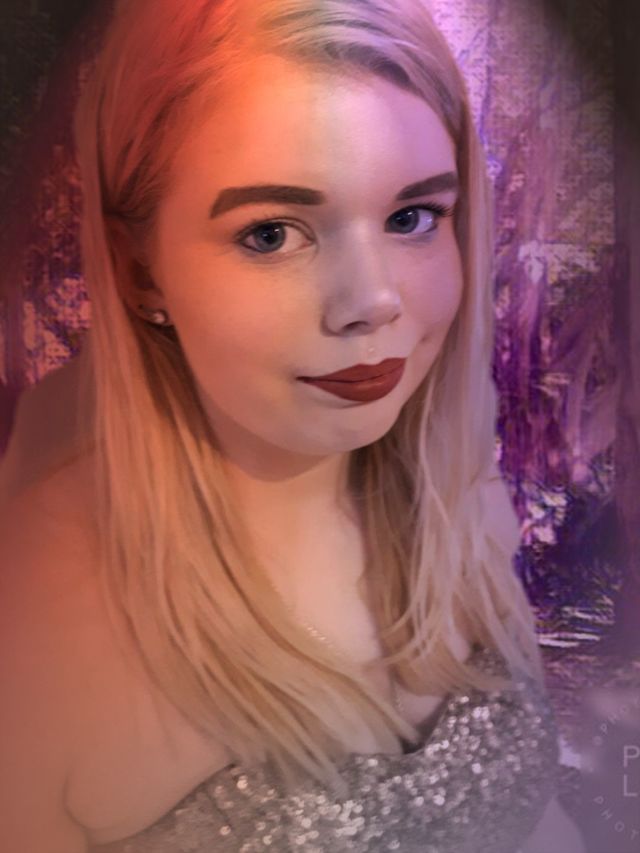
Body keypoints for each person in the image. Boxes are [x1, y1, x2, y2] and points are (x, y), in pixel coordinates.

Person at [0, 0, 586, 850]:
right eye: (272, 233)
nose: (372, 301)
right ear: (139, 273)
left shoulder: (459, 499)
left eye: (412, 217)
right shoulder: (35, 625)